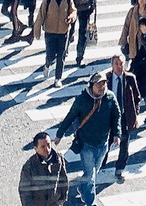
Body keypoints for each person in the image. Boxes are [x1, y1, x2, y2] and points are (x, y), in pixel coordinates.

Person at [53, 74, 121, 206]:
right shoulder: (82, 100)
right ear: (91, 86)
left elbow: (116, 116)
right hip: (86, 145)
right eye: (99, 84)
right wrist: (59, 134)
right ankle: (91, 201)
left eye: (104, 84)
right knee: (90, 173)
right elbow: (70, 116)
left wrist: (117, 134)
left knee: (94, 171)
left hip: (103, 143)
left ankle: (83, 188)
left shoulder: (110, 97)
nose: (102, 87)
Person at [20, 133, 70, 206]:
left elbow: (64, 179)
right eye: (43, 147)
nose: (47, 149)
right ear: (36, 149)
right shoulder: (29, 166)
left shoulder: (58, 159)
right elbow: (24, 191)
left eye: (48, 145)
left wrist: (62, 198)